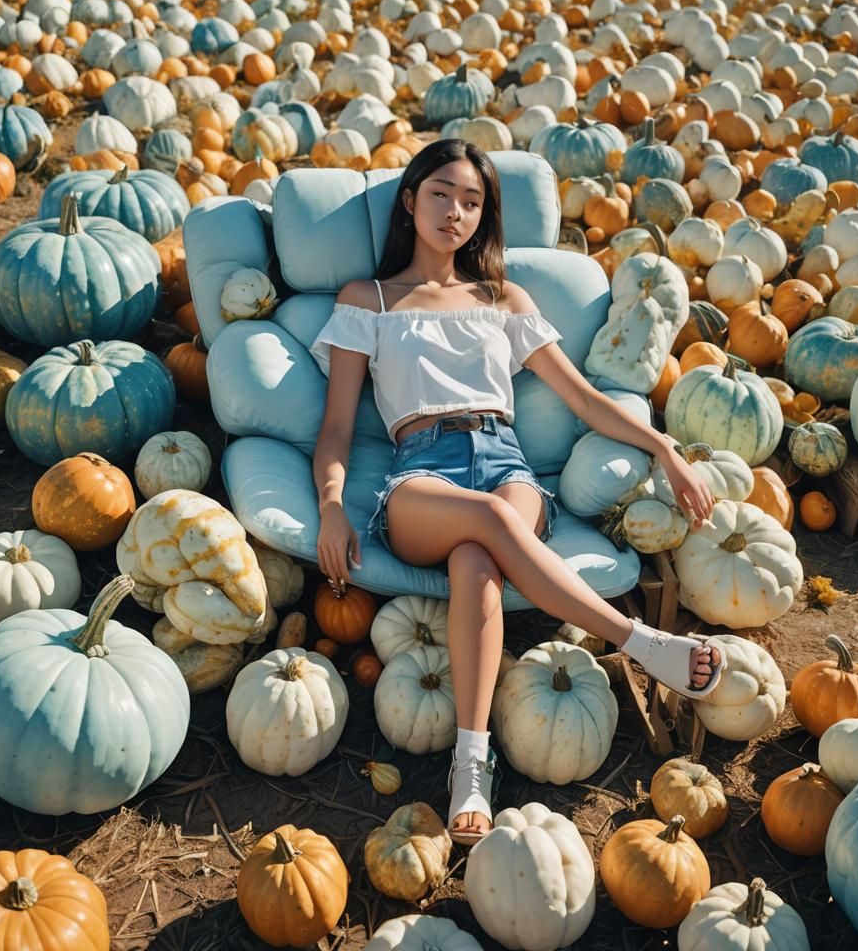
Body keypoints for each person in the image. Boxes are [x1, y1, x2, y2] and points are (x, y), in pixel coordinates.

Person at [309, 139, 722, 846]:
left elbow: (583, 398)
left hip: (507, 465)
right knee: (488, 521)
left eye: (472, 202)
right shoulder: (367, 301)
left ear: (483, 217)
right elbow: (338, 427)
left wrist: (665, 450)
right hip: (421, 473)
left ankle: (470, 768)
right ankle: (641, 643)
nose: (455, 211)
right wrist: (330, 507)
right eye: (441, 193)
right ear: (409, 201)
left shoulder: (503, 298)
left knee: (478, 562)